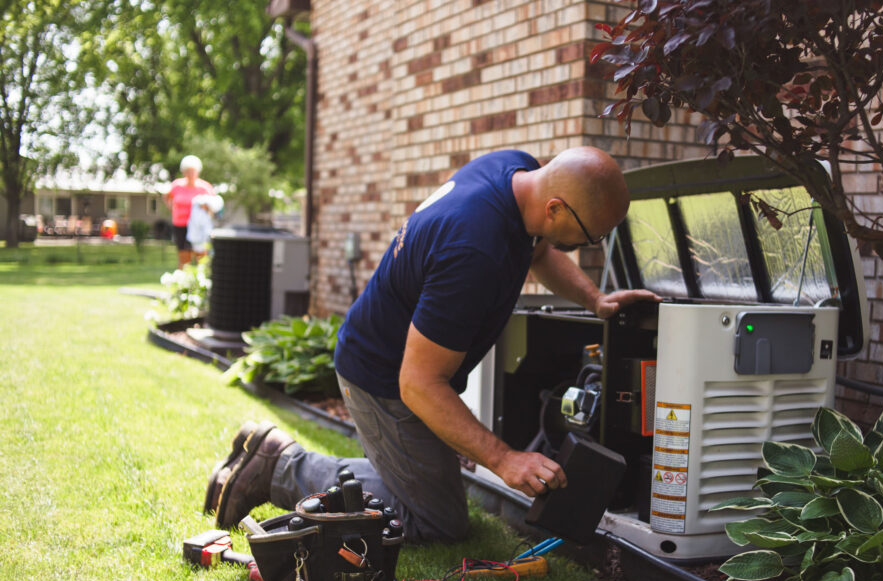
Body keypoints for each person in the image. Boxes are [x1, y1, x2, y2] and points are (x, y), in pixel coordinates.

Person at [206, 147, 660, 543]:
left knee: (429, 489)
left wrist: (596, 299)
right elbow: (419, 384)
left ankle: (280, 456)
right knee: (435, 518)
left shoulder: (517, 174)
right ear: (556, 208)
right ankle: (279, 466)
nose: (590, 245)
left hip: (392, 360)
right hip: (380, 377)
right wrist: (504, 459)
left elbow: (539, 251)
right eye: (592, 235)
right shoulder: (474, 252)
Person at [164, 155, 214, 268]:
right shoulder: (176, 185)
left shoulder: (205, 187)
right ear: (184, 172)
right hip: (180, 224)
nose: (190, 174)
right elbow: (166, 197)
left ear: (198, 172)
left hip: (198, 226)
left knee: (201, 255)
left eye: (193, 171)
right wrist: (172, 209)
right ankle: (183, 283)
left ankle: (201, 282)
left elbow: (213, 206)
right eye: (188, 171)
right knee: (184, 256)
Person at [186, 193, 224, 259]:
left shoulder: (204, 214)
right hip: (199, 238)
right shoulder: (199, 212)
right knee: (199, 253)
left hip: (203, 240)